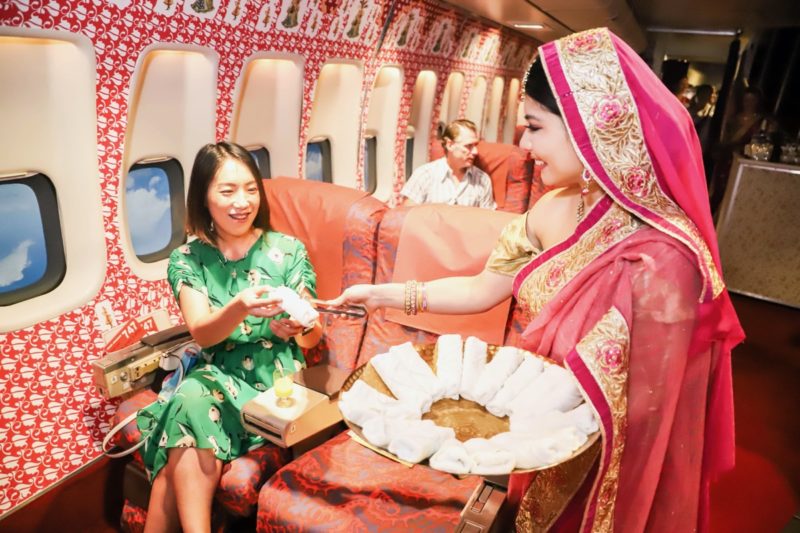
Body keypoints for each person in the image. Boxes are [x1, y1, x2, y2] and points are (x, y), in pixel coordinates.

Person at [330, 28, 743, 531]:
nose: (522, 145)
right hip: (539, 435)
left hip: (609, 460)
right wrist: (381, 294)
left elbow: (652, 415)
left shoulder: (663, 257)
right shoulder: (552, 208)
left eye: (534, 127)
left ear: (590, 126)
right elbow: (483, 287)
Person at [137, 142, 322, 533]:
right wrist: (239, 306)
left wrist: (299, 326)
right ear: (203, 197)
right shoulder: (187, 260)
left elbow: (311, 335)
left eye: (251, 189)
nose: (242, 201)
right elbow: (203, 334)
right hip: (218, 373)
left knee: (182, 424)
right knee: (192, 399)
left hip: (278, 377)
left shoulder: (287, 251)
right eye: (227, 191)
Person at [401, 119, 495, 209]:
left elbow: (487, 220)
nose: (475, 152)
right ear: (450, 145)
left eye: (475, 145)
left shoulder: (482, 180)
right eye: (468, 146)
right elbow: (407, 215)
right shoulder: (424, 175)